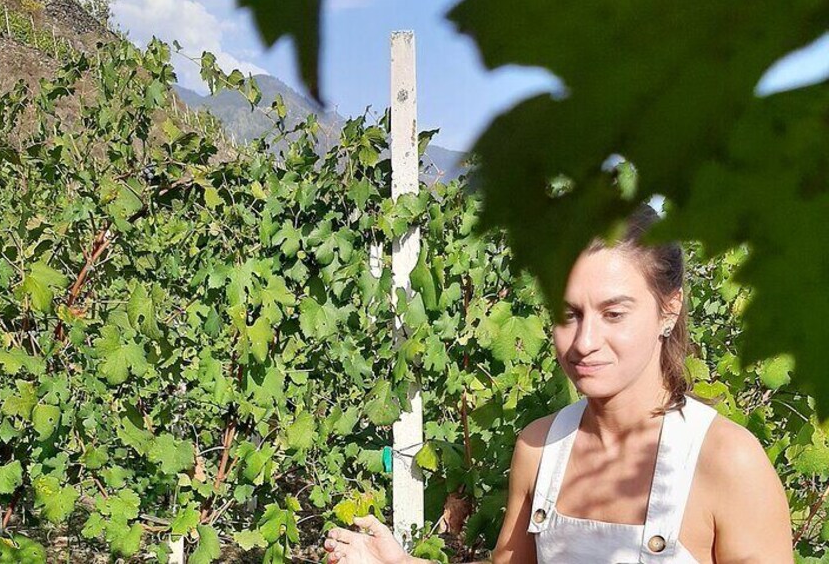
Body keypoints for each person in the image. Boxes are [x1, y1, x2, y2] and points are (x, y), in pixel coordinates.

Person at [323, 204, 793, 563]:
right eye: (568, 314)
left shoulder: (727, 462)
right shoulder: (540, 448)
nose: (585, 341)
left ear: (668, 310)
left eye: (614, 313)